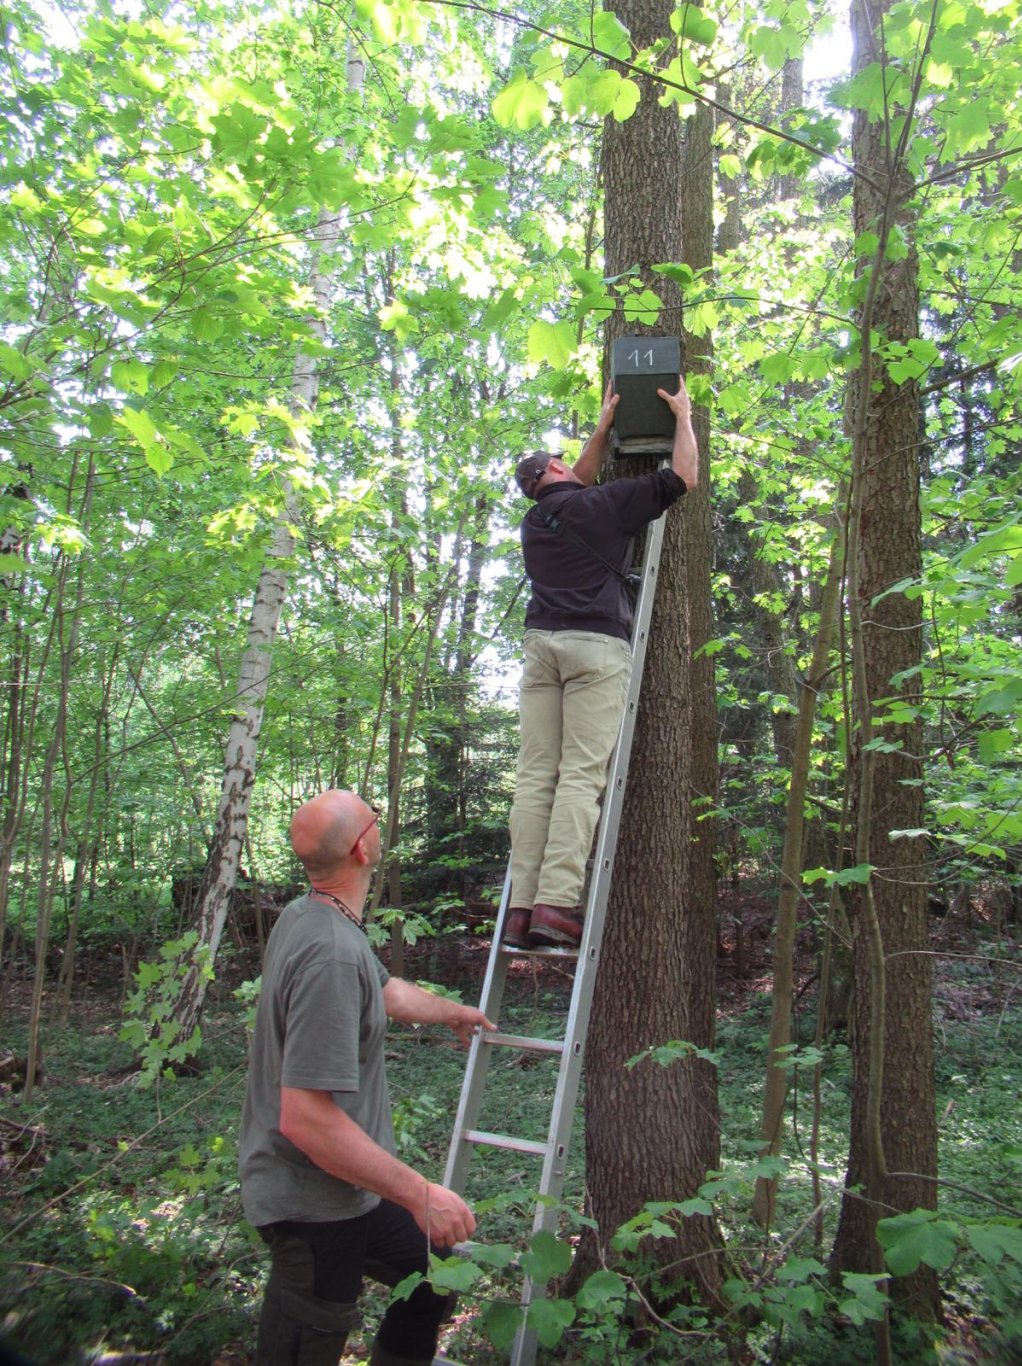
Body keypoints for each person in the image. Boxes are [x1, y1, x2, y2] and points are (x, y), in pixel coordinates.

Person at [239, 789, 495, 1366]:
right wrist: (421, 1194)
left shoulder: (311, 915)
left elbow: (384, 990)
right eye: (373, 818)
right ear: (361, 848)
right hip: (310, 1205)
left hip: (348, 1189)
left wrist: (453, 1011)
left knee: (434, 1276)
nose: (380, 824)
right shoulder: (328, 953)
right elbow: (307, 1120)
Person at [504, 376, 699, 950]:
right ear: (556, 470)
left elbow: (574, 482)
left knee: (536, 776)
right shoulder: (605, 505)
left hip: (541, 649)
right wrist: (684, 417)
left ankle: (520, 908)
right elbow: (683, 478)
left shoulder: (534, 522)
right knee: (580, 776)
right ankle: (557, 903)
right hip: (594, 647)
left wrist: (602, 427)